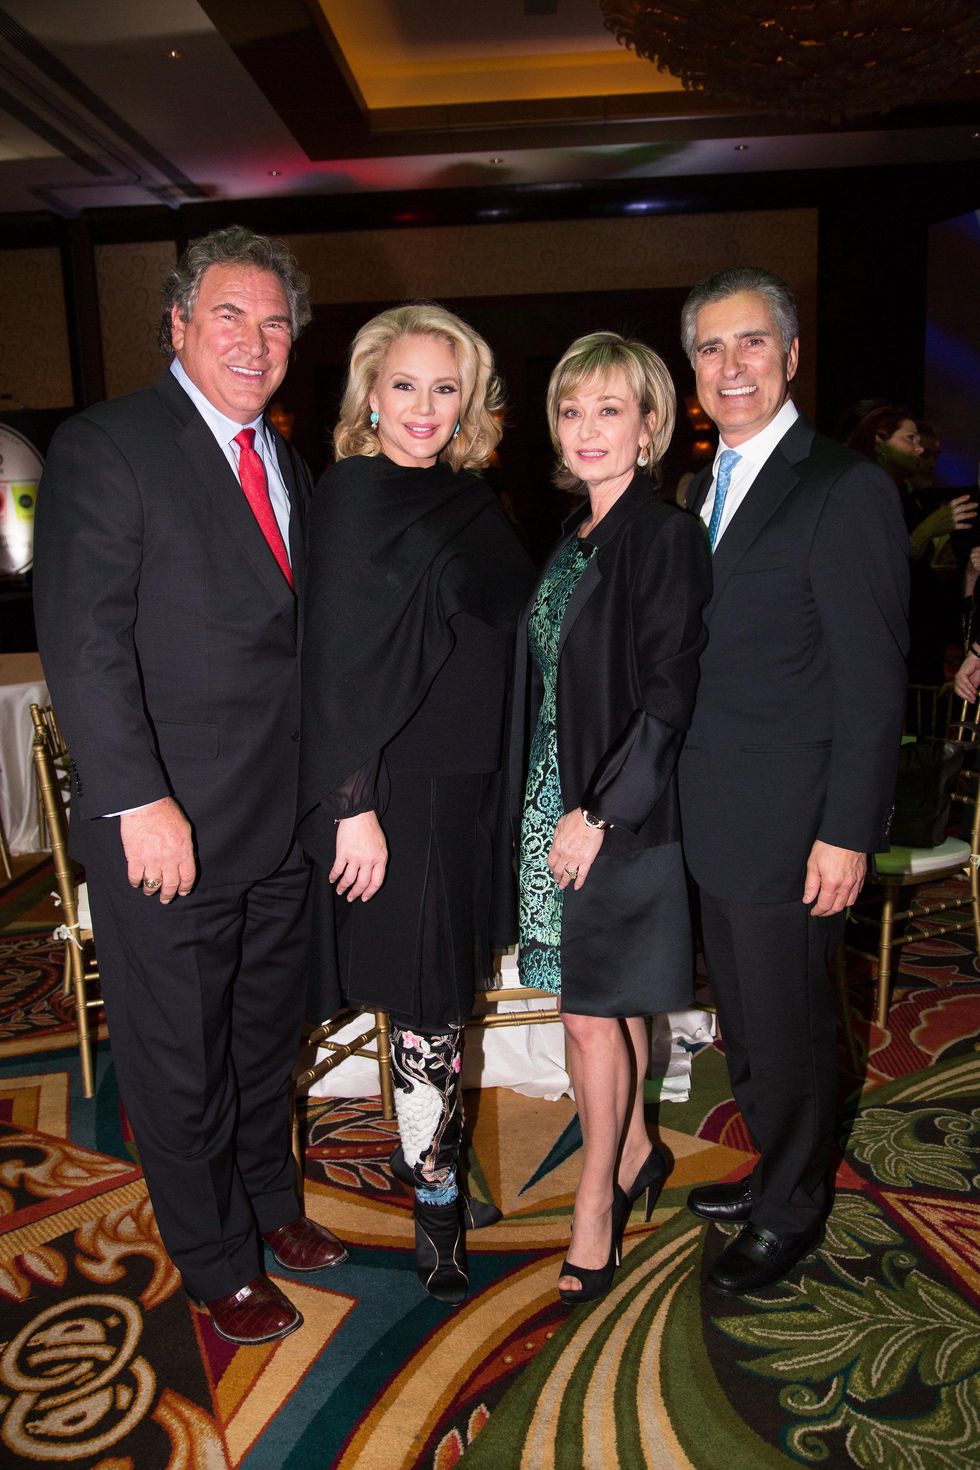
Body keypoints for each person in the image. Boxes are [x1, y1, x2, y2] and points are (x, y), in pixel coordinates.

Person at [33, 226, 348, 1347]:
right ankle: (215, 1256)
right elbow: (84, 641)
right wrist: (134, 799)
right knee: (178, 1054)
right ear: (176, 324)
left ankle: (267, 1200)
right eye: (229, 315)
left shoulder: (287, 462)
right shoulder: (109, 447)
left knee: (265, 1037)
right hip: (165, 825)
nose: (254, 341)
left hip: (278, 823)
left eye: (274, 322)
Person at [678, 268, 909, 1295]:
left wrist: (845, 832)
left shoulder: (841, 488)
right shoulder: (693, 490)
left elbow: (869, 682)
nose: (731, 367)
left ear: (790, 355)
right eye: (710, 349)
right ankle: (777, 1162)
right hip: (709, 814)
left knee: (792, 1025)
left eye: (750, 344)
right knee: (745, 1018)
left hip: (792, 822)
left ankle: (791, 1209)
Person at [297, 304, 533, 1304]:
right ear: (370, 394)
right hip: (400, 790)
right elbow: (336, 661)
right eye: (404, 385)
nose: (425, 407)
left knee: (446, 989)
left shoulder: (476, 500)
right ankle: (433, 1201)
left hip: (474, 783)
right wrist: (351, 804)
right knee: (429, 1000)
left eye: (446, 387)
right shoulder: (351, 495)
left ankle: (428, 1164)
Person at [511, 331, 711, 1306]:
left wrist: (600, 812)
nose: (587, 428)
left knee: (589, 1016)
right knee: (603, 1003)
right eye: (570, 408)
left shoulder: (661, 534)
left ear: (648, 425)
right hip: (555, 798)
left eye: (608, 409)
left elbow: (669, 693)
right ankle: (633, 1148)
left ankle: (594, 1203)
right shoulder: (574, 533)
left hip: (613, 807)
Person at [847, 405, 976, 683]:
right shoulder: (859, 494)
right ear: (879, 442)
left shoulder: (909, 497)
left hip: (917, 638)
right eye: (910, 439)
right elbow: (871, 570)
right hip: (877, 642)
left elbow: (917, 574)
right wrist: (926, 532)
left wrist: (941, 566)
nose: (918, 451)